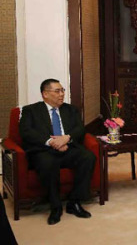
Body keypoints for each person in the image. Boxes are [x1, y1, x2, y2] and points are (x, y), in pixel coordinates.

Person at [19, 79, 96, 225]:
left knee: (88, 157)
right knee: (48, 163)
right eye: (57, 91)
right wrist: (52, 142)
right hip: (43, 150)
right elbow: (26, 132)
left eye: (62, 90)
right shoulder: (31, 111)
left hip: (68, 147)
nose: (62, 94)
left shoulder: (70, 109)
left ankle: (74, 202)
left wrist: (66, 138)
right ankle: (55, 206)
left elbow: (80, 129)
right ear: (45, 94)